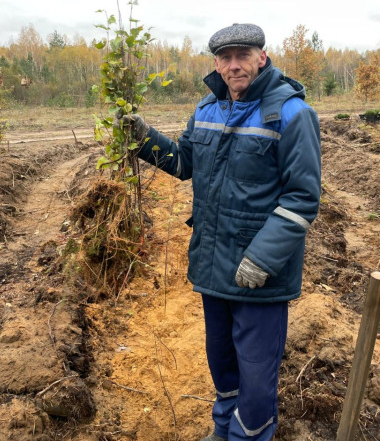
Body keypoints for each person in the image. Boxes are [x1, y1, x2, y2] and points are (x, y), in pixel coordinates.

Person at [125, 23, 321, 441]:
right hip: (213, 267)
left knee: (256, 374)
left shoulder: (291, 114)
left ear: (261, 57)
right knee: (222, 362)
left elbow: (303, 197)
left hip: (258, 277)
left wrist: (262, 258)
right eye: (225, 57)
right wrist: (144, 140)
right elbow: (184, 163)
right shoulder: (206, 109)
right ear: (216, 63)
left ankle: (249, 435)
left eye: (243, 55)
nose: (234, 65)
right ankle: (223, 428)